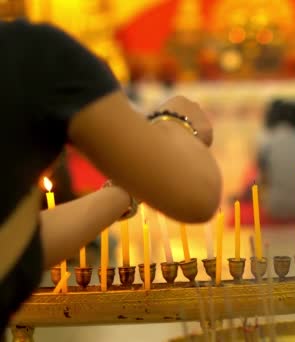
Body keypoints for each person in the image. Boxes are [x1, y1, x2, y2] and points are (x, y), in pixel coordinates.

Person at [0, 20, 222, 329]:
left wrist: (124, 191)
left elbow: (19, 245)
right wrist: (176, 123)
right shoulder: (30, 56)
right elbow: (198, 193)